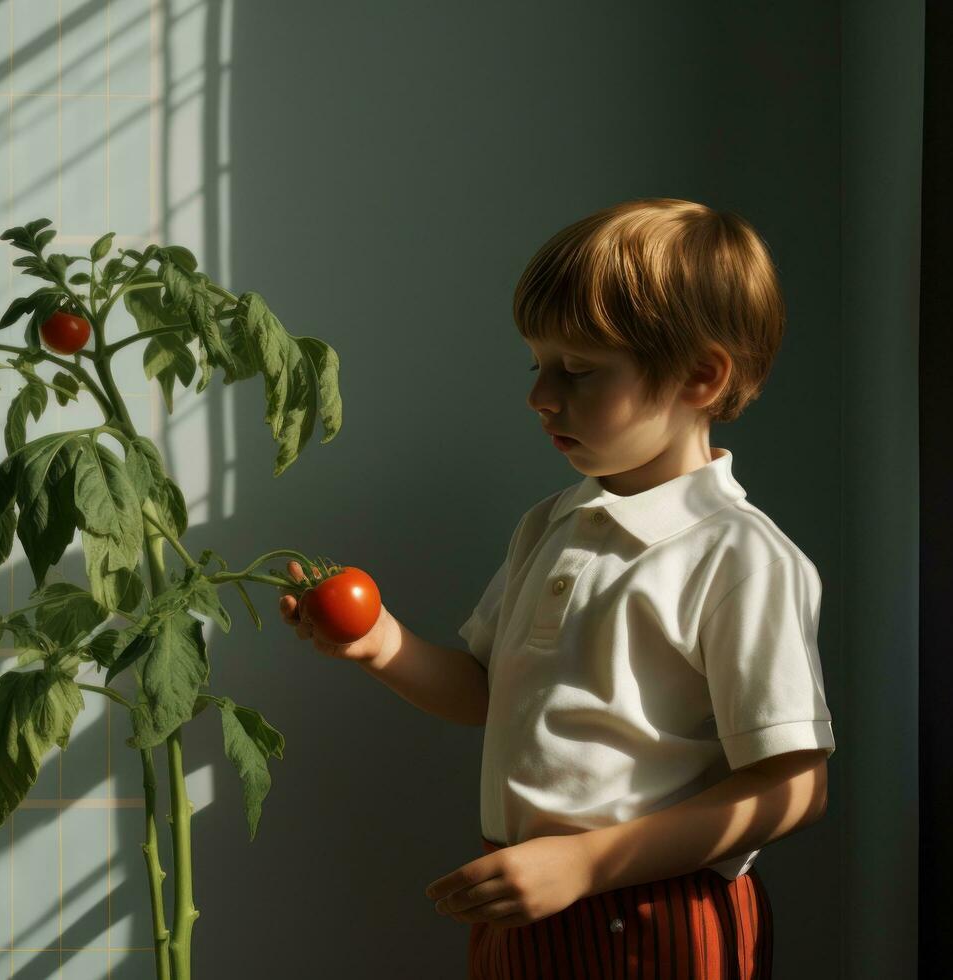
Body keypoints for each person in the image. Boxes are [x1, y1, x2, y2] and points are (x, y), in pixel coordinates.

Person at [278, 198, 834, 979]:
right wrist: (381, 647)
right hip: (526, 897)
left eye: (577, 370)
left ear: (702, 376)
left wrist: (586, 866)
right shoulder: (551, 523)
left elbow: (795, 787)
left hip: (655, 914)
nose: (541, 396)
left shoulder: (739, 556)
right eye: (536, 365)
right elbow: (485, 692)